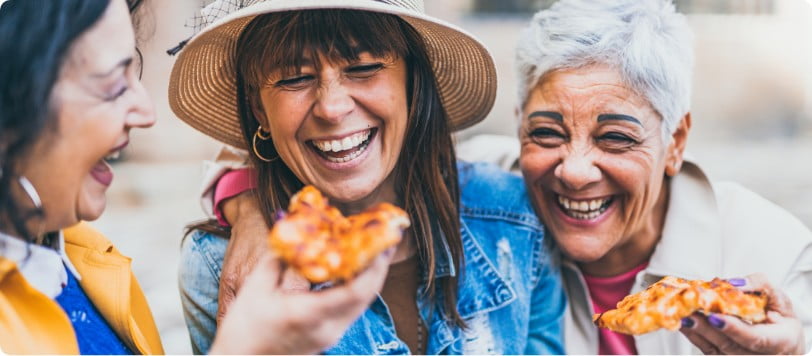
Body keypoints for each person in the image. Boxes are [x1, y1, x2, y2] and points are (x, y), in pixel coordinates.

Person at [169, 0, 566, 354]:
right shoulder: (220, 266)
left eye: (363, 68)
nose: (332, 108)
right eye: (294, 78)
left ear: (413, 81)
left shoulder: (516, 220)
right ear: (259, 109)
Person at [0, 0, 392, 354]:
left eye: (364, 68)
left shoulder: (87, 261)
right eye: (113, 84)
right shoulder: (213, 263)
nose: (147, 112)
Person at [510, 0, 812, 354]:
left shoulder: (776, 254)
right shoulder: (477, 209)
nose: (575, 173)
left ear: (676, 142)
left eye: (616, 138)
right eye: (546, 133)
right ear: (518, 126)